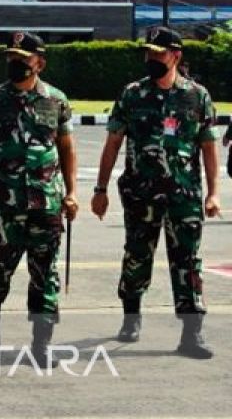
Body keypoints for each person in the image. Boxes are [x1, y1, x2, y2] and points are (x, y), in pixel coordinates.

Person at [91, 25, 222, 359]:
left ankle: (192, 333)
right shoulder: (132, 94)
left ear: (176, 55)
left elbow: (208, 148)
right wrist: (101, 188)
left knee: (188, 261)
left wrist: (213, 193)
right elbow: (113, 143)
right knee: (137, 253)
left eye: (158, 53)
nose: (151, 58)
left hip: (184, 195)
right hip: (140, 192)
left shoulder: (197, 95)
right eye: (148, 53)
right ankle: (130, 317)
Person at [0, 32, 77, 368]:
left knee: (45, 276)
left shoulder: (56, 100)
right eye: (10, 58)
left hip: (47, 206)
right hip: (4, 205)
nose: (14, 64)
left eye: (21, 59)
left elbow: (66, 149)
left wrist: (72, 194)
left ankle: (41, 343)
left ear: (39, 62)